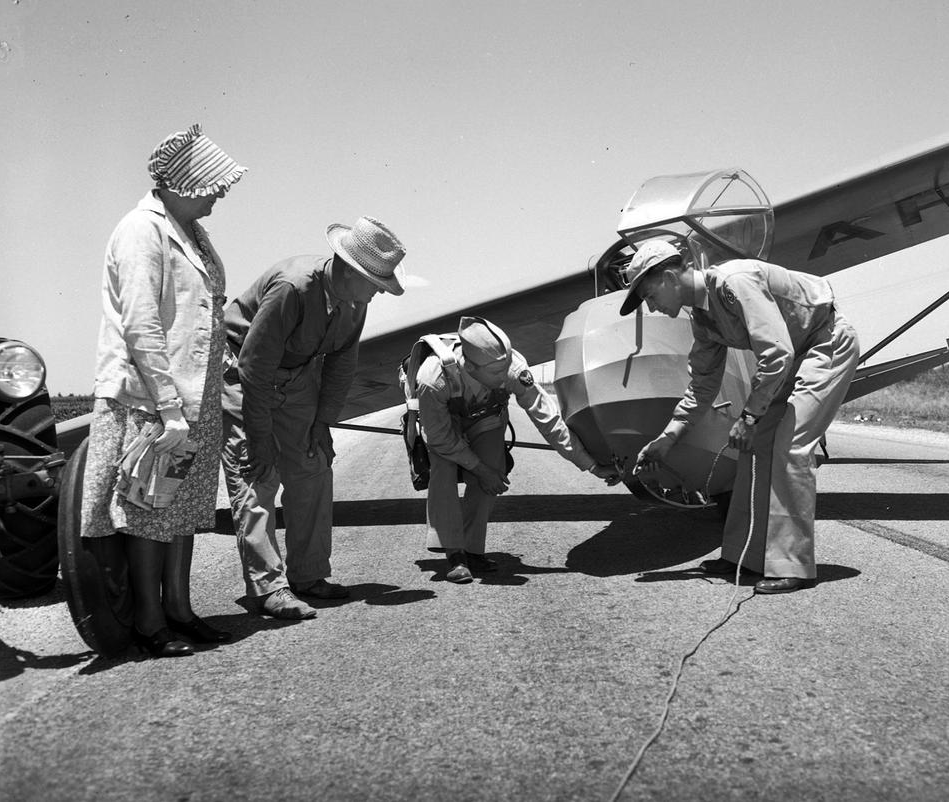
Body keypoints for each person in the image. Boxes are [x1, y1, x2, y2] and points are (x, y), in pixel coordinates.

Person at [80, 123, 247, 656]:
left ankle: (179, 607)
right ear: (185, 181)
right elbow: (142, 324)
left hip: (191, 397)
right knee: (151, 511)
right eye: (214, 184)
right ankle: (151, 623)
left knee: (184, 509)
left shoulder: (190, 231)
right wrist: (170, 408)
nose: (220, 193)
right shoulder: (141, 230)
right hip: (152, 399)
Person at [624, 240, 859, 594]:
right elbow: (702, 386)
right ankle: (742, 555)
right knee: (752, 450)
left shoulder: (735, 282)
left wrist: (748, 417)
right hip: (792, 358)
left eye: (649, 294)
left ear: (671, 277)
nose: (652, 306)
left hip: (824, 344)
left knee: (789, 446)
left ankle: (793, 564)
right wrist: (667, 438)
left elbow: (776, 353)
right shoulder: (703, 320)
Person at [221, 217, 406, 619]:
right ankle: (268, 588)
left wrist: (322, 423)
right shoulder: (293, 287)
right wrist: (260, 435)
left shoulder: (355, 304)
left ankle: (308, 575)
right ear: (349, 269)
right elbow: (254, 366)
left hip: (298, 376)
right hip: (244, 373)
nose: (378, 292)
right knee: (258, 473)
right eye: (375, 283)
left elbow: (342, 364)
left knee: (313, 465)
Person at [417, 316, 619, 583]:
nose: (505, 378)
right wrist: (478, 468)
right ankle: (454, 553)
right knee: (443, 468)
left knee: (493, 473)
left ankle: (472, 549)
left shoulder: (510, 367)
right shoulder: (434, 379)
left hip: (485, 417)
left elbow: (547, 417)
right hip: (446, 426)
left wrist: (591, 465)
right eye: (495, 373)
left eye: (506, 368)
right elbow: (440, 438)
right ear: (471, 365)